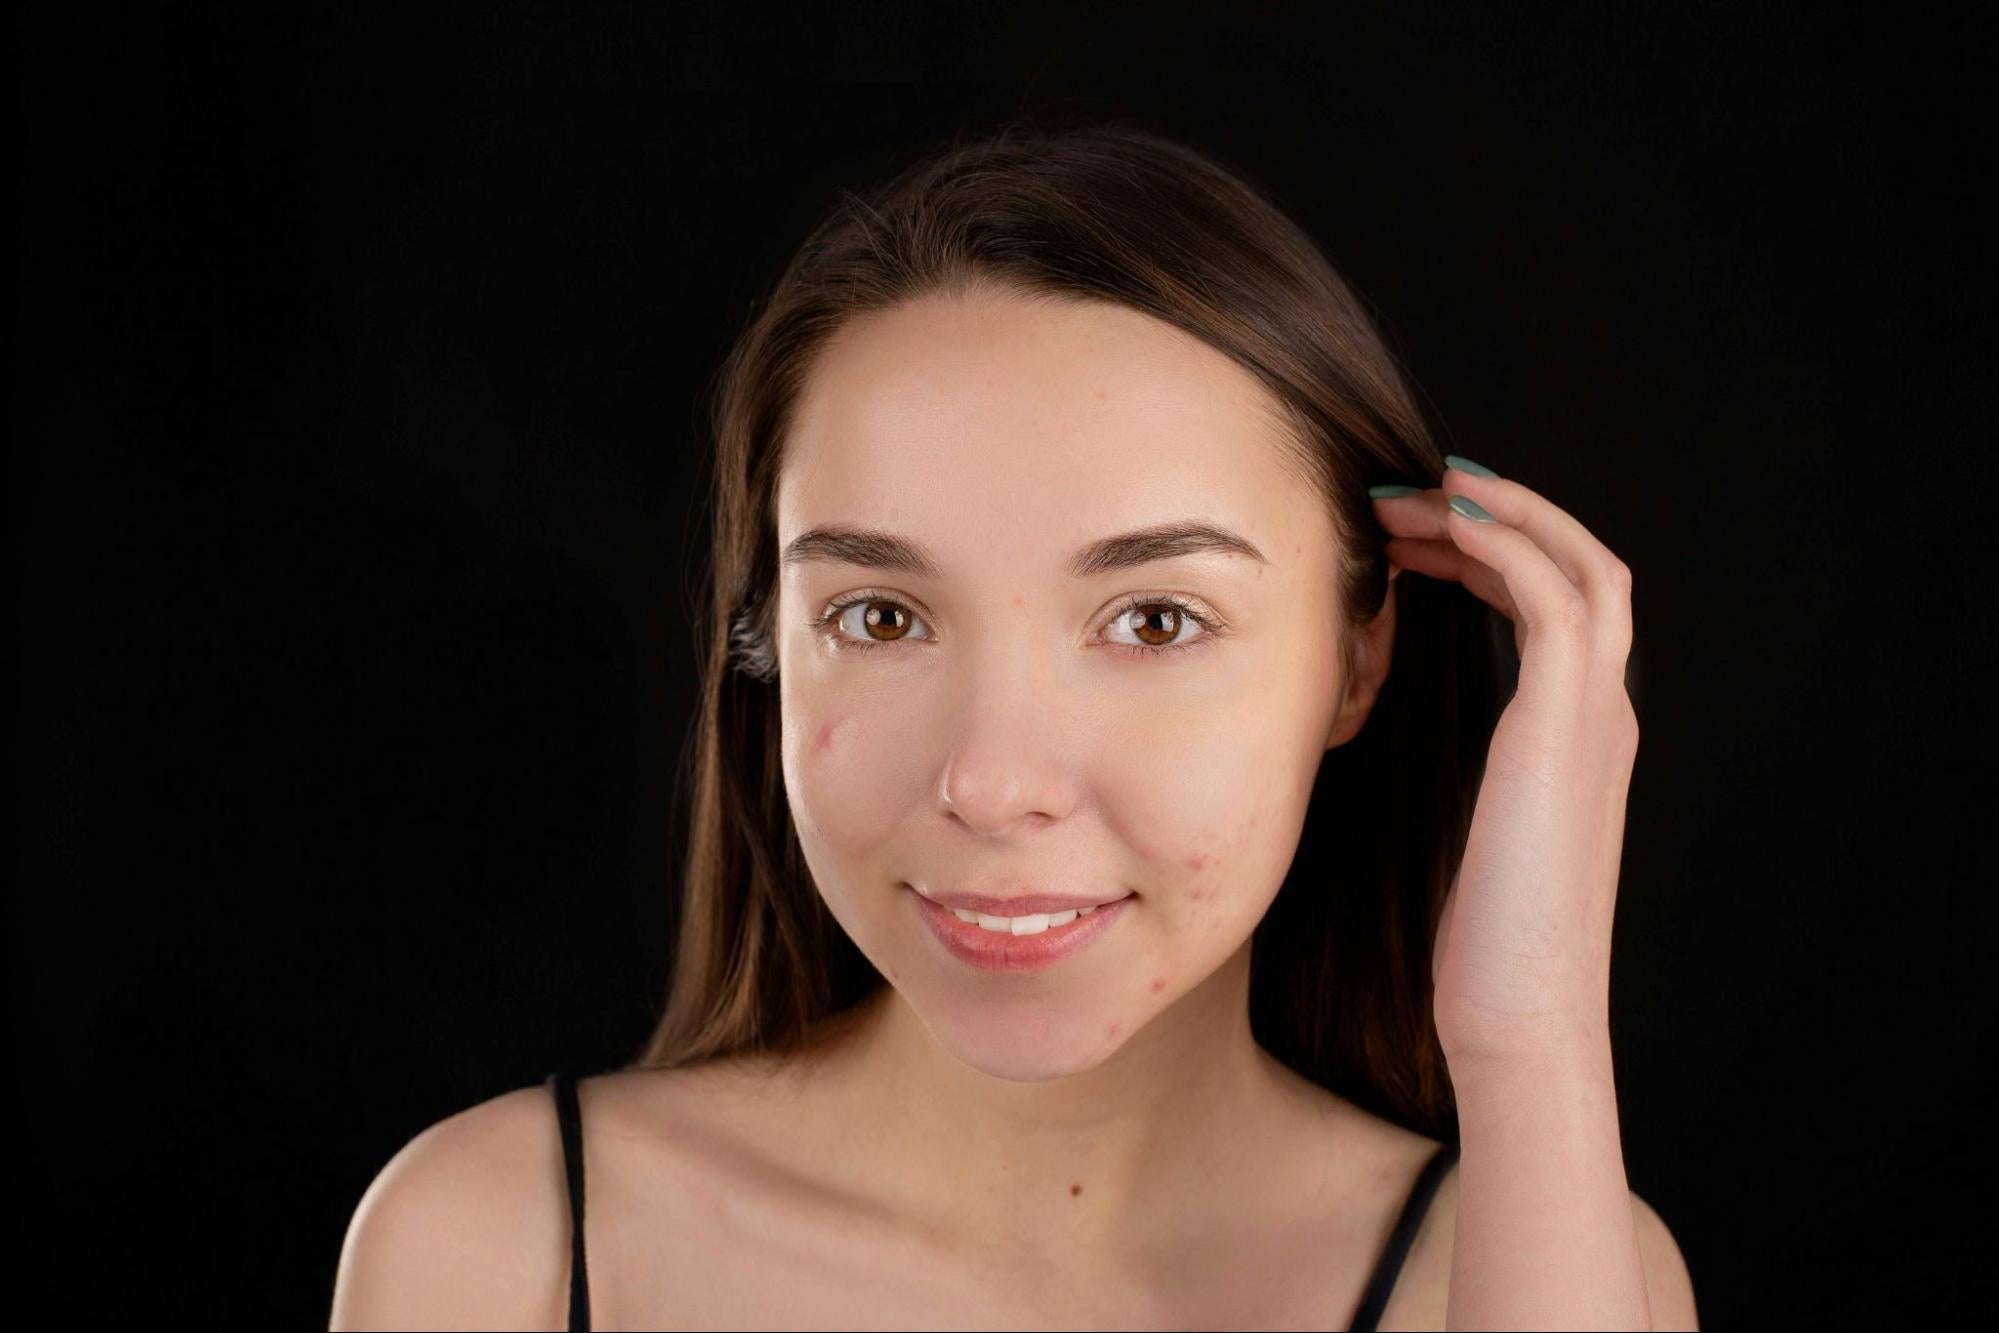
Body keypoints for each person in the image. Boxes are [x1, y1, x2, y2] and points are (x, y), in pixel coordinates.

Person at [330, 117, 1697, 1330]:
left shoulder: (1550, 1266)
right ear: (768, 646)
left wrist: (1529, 1035)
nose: (990, 782)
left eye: (1154, 620)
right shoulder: (498, 1248)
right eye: (880, 617)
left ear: (1357, 659)